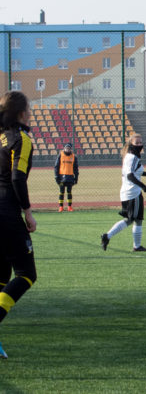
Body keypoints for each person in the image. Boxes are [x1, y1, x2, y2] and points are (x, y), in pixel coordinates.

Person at [0, 91, 38, 359]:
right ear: (22, 113)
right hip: (7, 213)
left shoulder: (1, 136)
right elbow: (17, 178)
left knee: (1, 278)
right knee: (26, 274)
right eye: (30, 108)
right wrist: (28, 212)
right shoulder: (21, 139)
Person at [100, 134, 146, 252]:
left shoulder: (130, 156)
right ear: (131, 144)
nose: (140, 145)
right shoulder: (132, 157)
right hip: (133, 193)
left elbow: (136, 172)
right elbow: (130, 176)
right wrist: (143, 186)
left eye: (141, 142)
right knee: (136, 220)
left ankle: (108, 236)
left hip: (127, 193)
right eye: (137, 143)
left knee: (130, 219)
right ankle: (135, 246)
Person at [54, 142, 79, 212]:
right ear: (64, 149)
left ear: (71, 149)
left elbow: (76, 168)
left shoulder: (73, 156)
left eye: (69, 148)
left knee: (69, 192)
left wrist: (76, 178)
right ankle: (61, 207)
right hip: (61, 177)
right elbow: (56, 166)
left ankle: (69, 207)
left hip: (70, 177)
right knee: (61, 192)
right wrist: (56, 176)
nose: (67, 150)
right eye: (66, 148)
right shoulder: (60, 155)